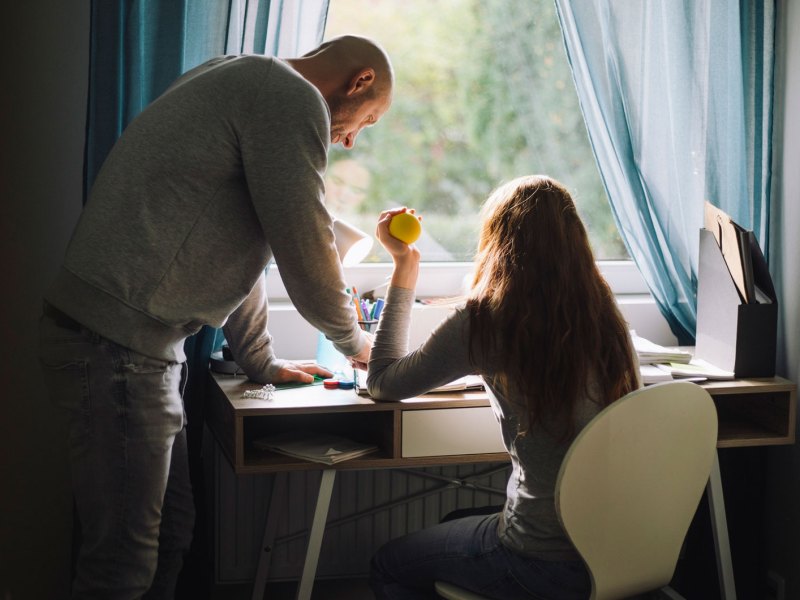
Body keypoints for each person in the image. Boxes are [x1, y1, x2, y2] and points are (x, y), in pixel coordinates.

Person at [38, 35, 393, 599]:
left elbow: (245, 246)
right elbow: (306, 243)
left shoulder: (238, 73)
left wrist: (260, 360)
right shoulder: (289, 98)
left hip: (134, 344)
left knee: (174, 534)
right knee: (121, 566)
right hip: (118, 343)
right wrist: (357, 345)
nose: (350, 140)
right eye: (366, 122)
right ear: (360, 82)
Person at [367, 175, 641, 599]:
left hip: (539, 560)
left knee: (388, 564)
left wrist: (405, 267)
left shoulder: (488, 319)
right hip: (616, 555)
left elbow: (383, 383)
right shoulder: (605, 314)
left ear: (498, 241)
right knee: (460, 517)